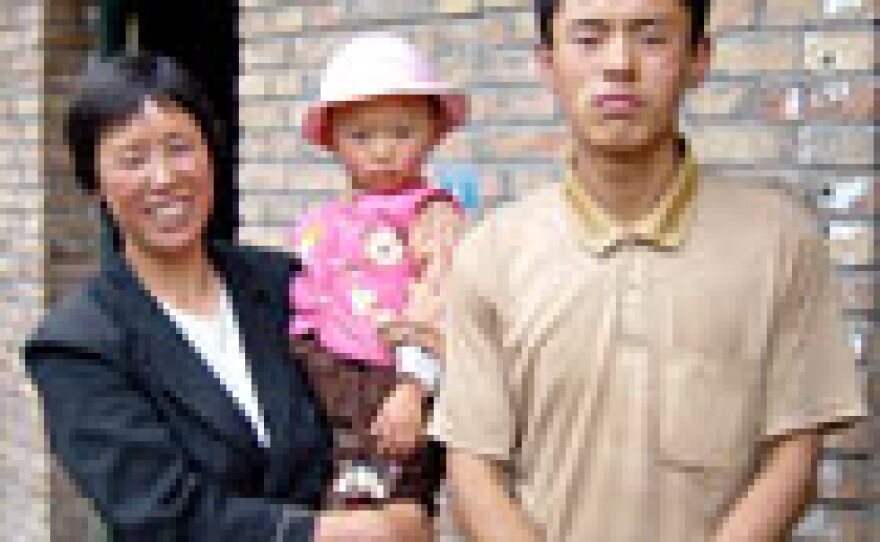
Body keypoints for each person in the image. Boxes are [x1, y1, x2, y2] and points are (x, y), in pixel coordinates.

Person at [431, 1, 867, 540]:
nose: (619, 63)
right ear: (548, 63)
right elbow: (473, 469)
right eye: (589, 39)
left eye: (652, 37)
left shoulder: (781, 243)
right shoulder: (491, 254)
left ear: (698, 58)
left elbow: (793, 459)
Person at [24, 53, 430, 541]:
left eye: (179, 148)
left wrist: (406, 501)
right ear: (94, 185)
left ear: (211, 155)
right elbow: (158, 513)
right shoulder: (79, 343)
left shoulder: (286, 284)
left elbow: (373, 395)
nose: (164, 178)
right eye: (133, 159)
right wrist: (339, 533)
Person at [290, 32, 466, 514]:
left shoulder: (431, 216)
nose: (382, 151)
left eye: (401, 133)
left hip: (389, 384)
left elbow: (437, 303)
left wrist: (413, 389)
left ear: (433, 131)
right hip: (326, 382)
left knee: (385, 499)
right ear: (331, 139)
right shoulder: (322, 221)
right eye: (361, 137)